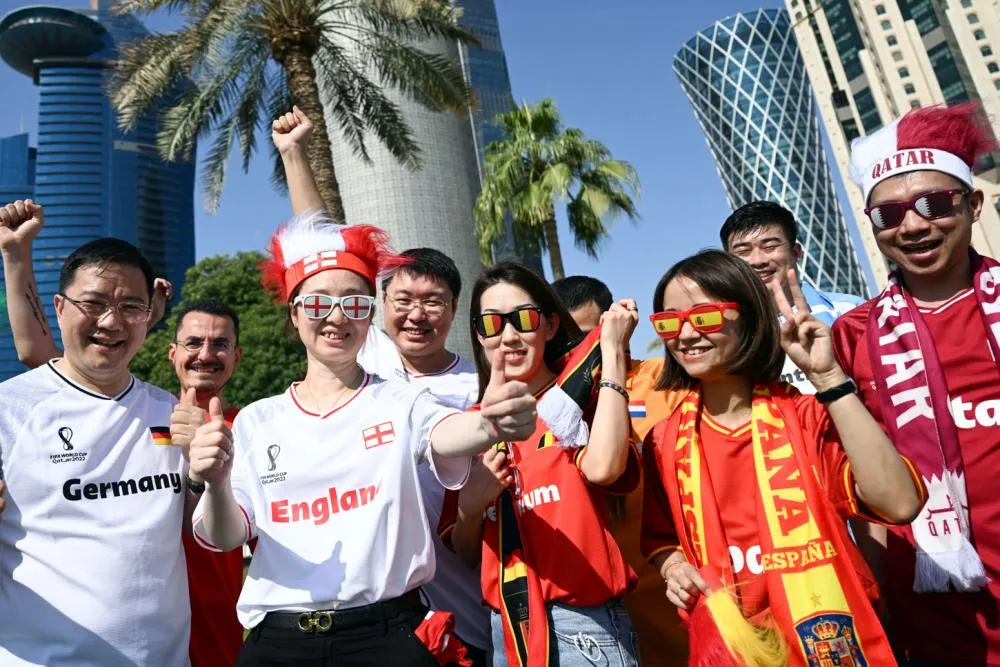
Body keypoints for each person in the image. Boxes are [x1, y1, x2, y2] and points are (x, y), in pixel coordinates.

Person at [181, 213, 538, 666]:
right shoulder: (256, 420)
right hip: (280, 643)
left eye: (354, 305)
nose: (335, 318)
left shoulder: (401, 401)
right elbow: (225, 535)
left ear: (370, 317)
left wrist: (490, 424)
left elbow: (447, 432)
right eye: (316, 305)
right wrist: (212, 482)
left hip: (387, 636)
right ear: (294, 315)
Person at [273, 107, 491, 663]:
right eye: (403, 301)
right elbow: (320, 249)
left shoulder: (476, 386)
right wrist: (295, 153)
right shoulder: (366, 352)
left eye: (433, 303)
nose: (417, 315)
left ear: (454, 311)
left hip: (465, 594)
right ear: (379, 307)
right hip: (387, 607)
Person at [641, 250, 925, 666]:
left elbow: (899, 503)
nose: (685, 335)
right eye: (669, 322)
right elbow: (662, 540)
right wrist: (673, 569)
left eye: (704, 317)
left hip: (824, 639)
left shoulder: (806, 416)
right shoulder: (663, 441)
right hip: (729, 648)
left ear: (751, 317)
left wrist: (829, 379)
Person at [1, 201, 247, 666]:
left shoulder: (173, 415)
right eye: (92, 305)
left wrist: (208, 476)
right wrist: (15, 256)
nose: (111, 322)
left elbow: (217, 535)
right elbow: (34, 350)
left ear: (147, 315)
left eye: (130, 307)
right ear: (60, 307)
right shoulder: (10, 411)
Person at [831, 103, 1000, 665]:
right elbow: (863, 489)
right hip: (939, 617)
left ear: (973, 205)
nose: (913, 224)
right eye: (890, 214)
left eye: (934, 203)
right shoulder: (851, 335)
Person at [442, 262, 641, 667]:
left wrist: (612, 354)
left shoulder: (580, 397)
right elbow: (465, 553)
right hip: (507, 630)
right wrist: (471, 506)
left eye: (524, 319)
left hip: (585, 627)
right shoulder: (473, 426)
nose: (509, 336)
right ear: (479, 334)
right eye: (493, 324)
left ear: (550, 326)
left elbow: (604, 468)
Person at [552, 273, 686, 664]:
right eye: (566, 340)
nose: (579, 350)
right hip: (597, 615)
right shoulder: (551, 402)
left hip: (674, 592)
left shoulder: (666, 379)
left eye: (590, 335)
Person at [720, 201, 865, 394]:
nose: (758, 261)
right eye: (743, 252)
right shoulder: (725, 331)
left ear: (796, 252)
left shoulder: (851, 311)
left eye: (770, 246)